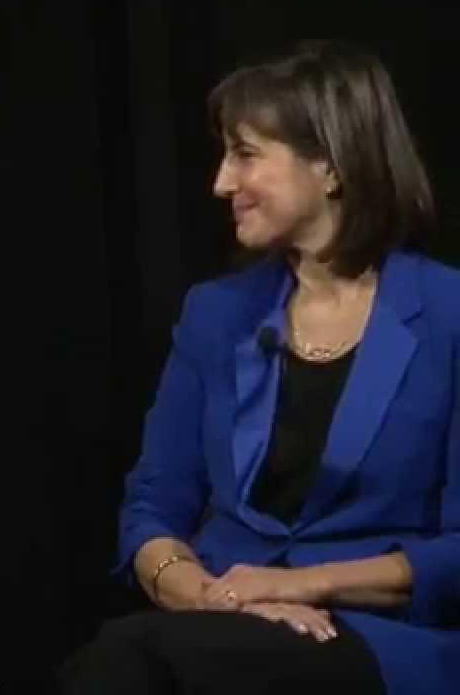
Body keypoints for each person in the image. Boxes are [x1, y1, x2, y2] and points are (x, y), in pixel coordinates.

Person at [59, 40, 458, 694]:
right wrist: (214, 597)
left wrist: (301, 585)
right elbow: (152, 509)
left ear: (330, 166)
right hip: (216, 627)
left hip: (380, 640)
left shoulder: (447, 315)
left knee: (132, 662)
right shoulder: (215, 313)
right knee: (127, 657)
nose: (222, 184)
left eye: (245, 155)